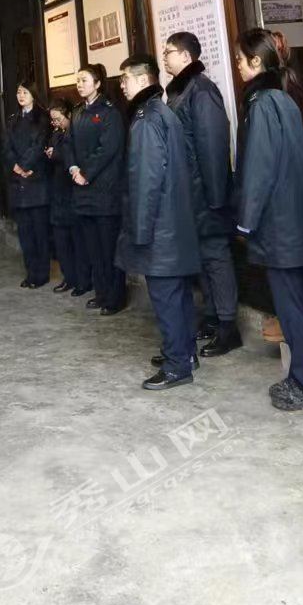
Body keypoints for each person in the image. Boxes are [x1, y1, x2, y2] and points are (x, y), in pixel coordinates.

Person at [235, 28, 303, 412]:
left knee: (291, 307)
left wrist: (245, 220)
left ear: (257, 61)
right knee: (298, 304)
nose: (238, 65)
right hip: (293, 220)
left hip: (279, 225)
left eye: (241, 59)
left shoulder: (262, 104)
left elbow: (258, 169)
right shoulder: (282, 99)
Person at [116, 54, 203, 391]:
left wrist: (140, 232)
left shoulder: (146, 119)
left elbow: (145, 181)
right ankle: (185, 352)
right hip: (174, 221)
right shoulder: (163, 112)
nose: (122, 86)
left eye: (125, 79)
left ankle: (176, 365)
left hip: (158, 227)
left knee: (166, 298)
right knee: (178, 295)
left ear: (143, 80)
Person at [161, 31, 241, 355]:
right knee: (203, 257)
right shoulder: (182, 90)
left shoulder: (202, 90)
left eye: (169, 52)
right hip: (190, 193)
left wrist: (216, 198)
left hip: (206, 194)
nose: (164, 57)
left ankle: (228, 325)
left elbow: (213, 147)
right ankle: (211, 316)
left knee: (216, 257)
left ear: (185, 56)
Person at [70, 63, 128, 316]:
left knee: (109, 248)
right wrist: (73, 168)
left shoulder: (109, 112)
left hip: (105, 190)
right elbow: (68, 144)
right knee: (93, 248)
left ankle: (115, 298)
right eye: (78, 80)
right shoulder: (77, 112)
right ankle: (101, 293)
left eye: (84, 80)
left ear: (97, 84)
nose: (79, 84)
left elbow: (109, 149)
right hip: (82, 189)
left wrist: (86, 173)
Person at [4, 82, 51, 288]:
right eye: (18, 92)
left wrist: (24, 166)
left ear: (33, 94)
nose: (21, 95)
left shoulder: (43, 118)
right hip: (18, 180)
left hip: (36, 178)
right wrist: (15, 166)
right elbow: (6, 147)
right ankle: (31, 272)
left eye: (25, 92)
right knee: (24, 233)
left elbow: (39, 146)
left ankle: (42, 273)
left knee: (40, 231)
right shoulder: (13, 119)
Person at [45, 99, 90, 296]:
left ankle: (83, 280)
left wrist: (55, 154)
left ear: (69, 115)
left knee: (78, 242)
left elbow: (72, 157)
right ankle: (68, 277)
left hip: (73, 193)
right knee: (61, 241)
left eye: (58, 119)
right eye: (53, 120)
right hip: (58, 193)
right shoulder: (56, 134)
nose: (55, 123)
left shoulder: (76, 133)